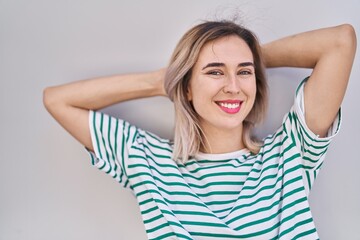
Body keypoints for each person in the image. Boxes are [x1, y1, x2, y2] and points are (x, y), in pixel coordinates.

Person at [43, 20, 356, 239]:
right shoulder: (149, 160)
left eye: (244, 73)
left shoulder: (290, 151)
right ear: (188, 88)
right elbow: (58, 100)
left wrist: (249, 56)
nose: (233, 87)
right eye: (215, 72)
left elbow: (340, 41)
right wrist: (165, 79)